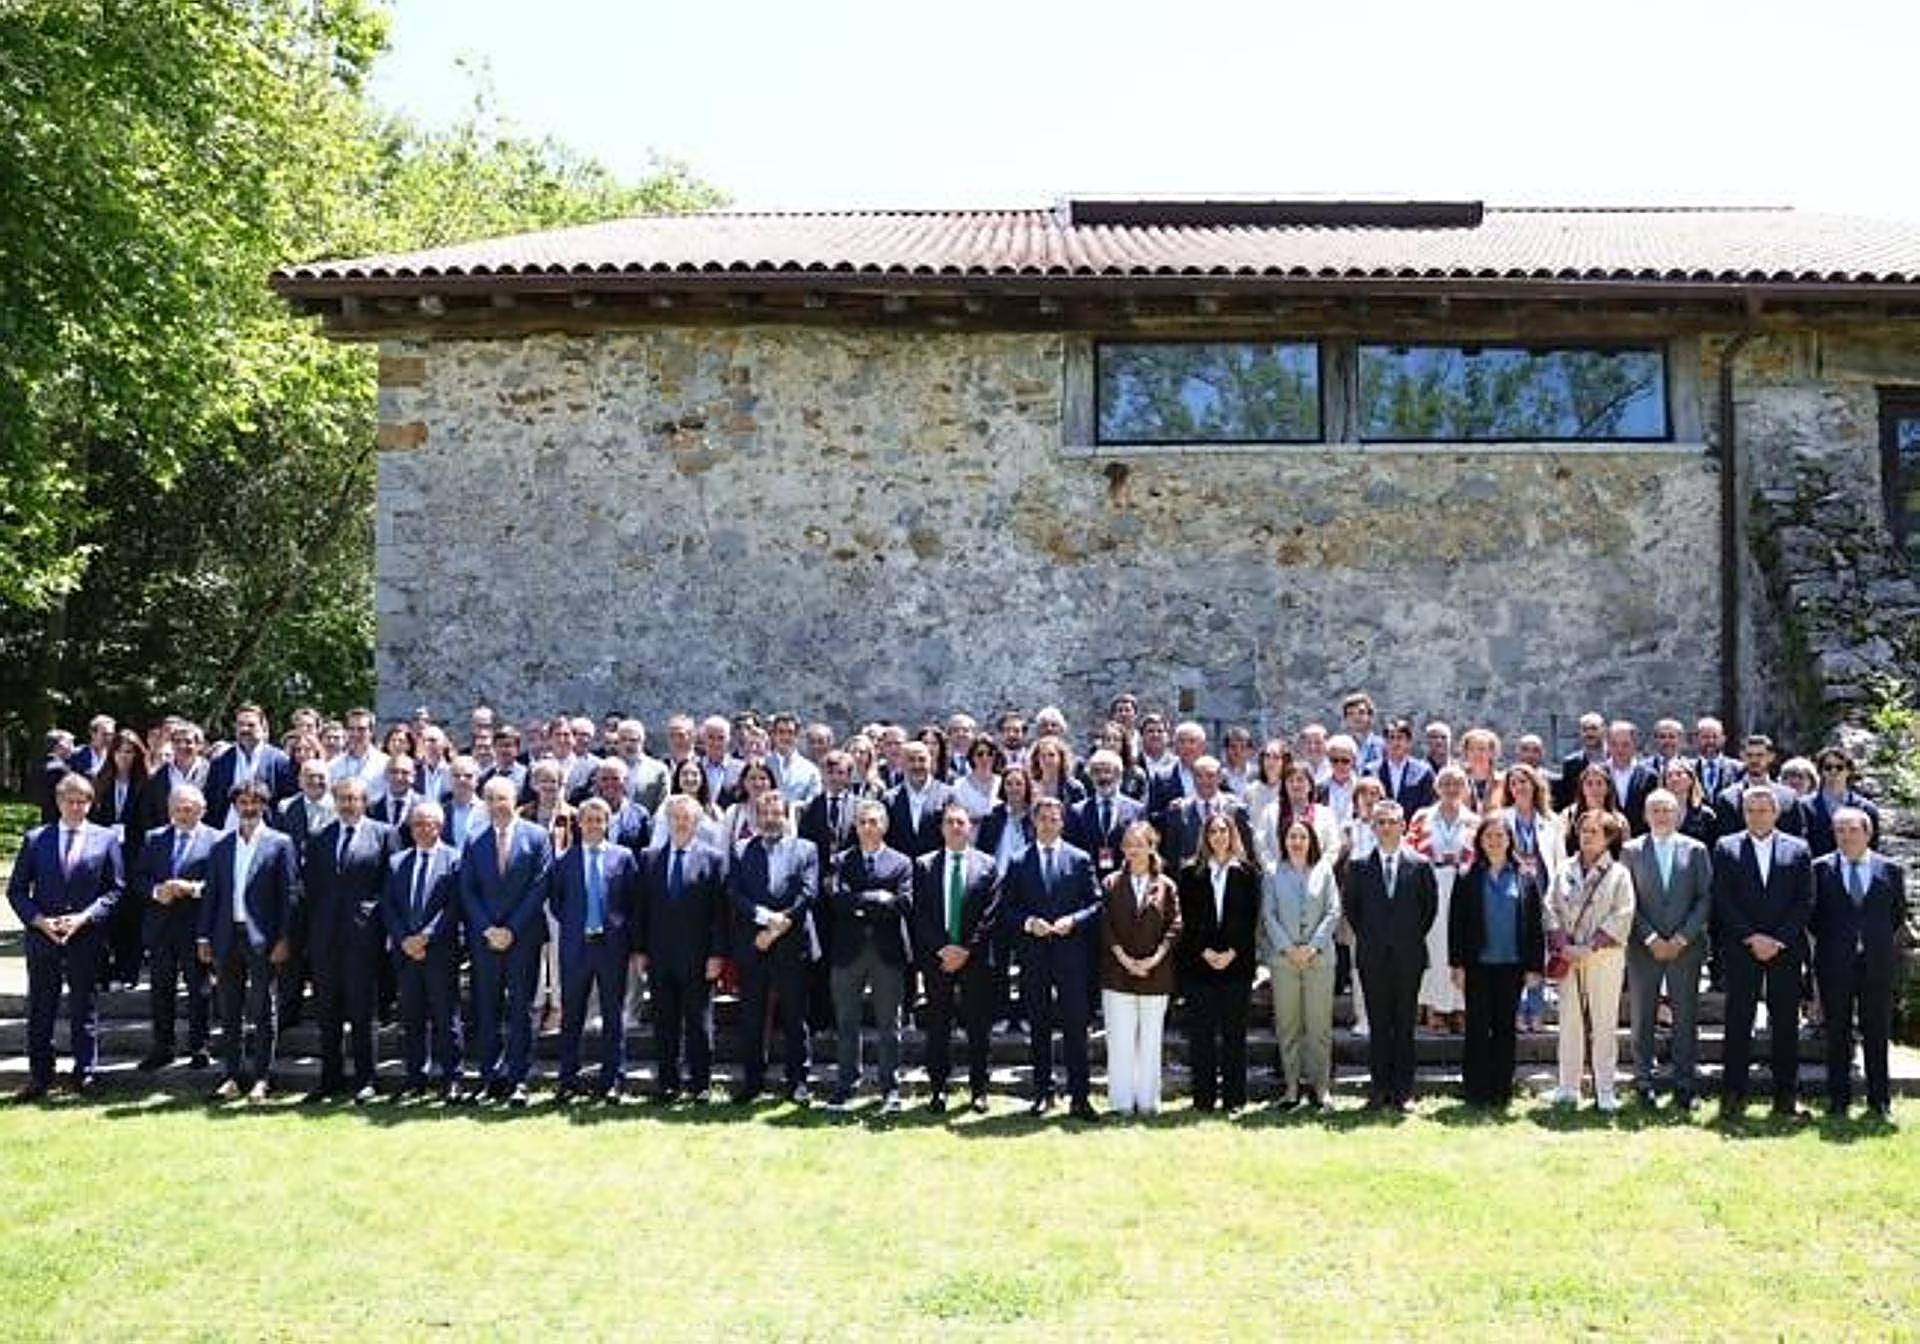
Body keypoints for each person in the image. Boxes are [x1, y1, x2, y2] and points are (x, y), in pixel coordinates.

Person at [8, 773, 124, 1099]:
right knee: (40, 1008)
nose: (75, 807)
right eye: (69, 801)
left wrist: (84, 918)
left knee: (84, 1008)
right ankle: (40, 1076)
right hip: (43, 936)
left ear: (90, 803)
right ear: (58, 802)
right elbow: (17, 890)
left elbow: (115, 890)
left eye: (81, 801)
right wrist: (39, 921)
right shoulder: (36, 839)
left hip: (85, 936)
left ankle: (85, 1073)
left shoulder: (106, 839)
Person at [1713, 785, 1814, 1120]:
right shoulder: (1726, 847)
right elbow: (1722, 899)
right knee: (1738, 1021)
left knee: (1785, 1023)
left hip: (1785, 949)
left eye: (1763, 810)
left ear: (1776, 813)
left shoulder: (1798, 849)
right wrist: (1751, 937)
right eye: (1750, 810)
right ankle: (1733, 1095)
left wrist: (1777, 940)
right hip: (1742, 948)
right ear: (1743, 813)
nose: (1757, 816)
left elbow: (1805, 900)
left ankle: (1786, 1097)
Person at [196, 780, 299, 1102]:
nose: (249, 808)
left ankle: (262, 1078)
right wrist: (204, 936)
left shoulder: (280, 843)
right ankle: (231, 1076)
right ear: (235, 806)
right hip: (226, 935)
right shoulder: (221, 845)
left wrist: (284, 938)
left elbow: (289, 896)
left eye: (255, 802)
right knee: (229, 1011)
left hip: (263, 939)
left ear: (264, 806)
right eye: (243, 802)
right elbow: (212, 894)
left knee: (263, 1009)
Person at [1006, 795, 1103, 1121]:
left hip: (1071, 955)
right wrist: (1027, 923)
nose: (1048, 824)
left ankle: (1080, 1097)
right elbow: (1006, 909)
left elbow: (1096, 904)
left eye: (1054, 818)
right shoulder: (1018, 861)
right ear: (1033, 822)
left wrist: (1073, 920)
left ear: (1062, 822)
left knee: (1076, 1026)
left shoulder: (1079, 859)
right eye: (1042, 818)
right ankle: (1042, 1093)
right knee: (1039, 1026)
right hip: (1034, 955)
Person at [300, 777, 396, 1105]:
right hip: (325, 938)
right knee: (327, 1012)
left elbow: (390, 885)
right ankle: (330, 1078)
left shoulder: (383, 834)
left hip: (364, 937)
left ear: (364, 801)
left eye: (354, 798)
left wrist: (376, 921)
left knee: (362, 1012)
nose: (348, 804)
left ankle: (366, 1079)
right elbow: (311, 888)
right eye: (342, 798)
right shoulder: (319, 837)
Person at [459, 777, 553, 1107]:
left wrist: (511, 928)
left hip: (523, 938)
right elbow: (467, 889)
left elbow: (540, 885)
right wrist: (488, 928)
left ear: (515, 801)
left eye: (503, 798)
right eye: (491, 799)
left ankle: (518, 1080)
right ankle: (489, 1078)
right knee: (486, 1010)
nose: (497, 805)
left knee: (521, 1010)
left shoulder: (537, 837)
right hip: (485, 941)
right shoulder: (474, 839)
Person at [1810, 808, 1907, 1122]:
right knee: (1837, 1032)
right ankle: (1838, 1100)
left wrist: (1871, 941)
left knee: (1877, 1031)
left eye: (1853, 830)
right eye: (1840, 830)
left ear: (1867, 833)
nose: (1846, 836)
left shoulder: (1890, 870)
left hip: (1876, 964)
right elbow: (1813, 917)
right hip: (1834, 963)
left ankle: (1879, 1100)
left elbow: (1896, 915)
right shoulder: (1819, 869)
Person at [1620, 789, 1714, 1110]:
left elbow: (1705, 898)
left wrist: (1681, 938)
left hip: (1685, 948)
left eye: (1667, 810)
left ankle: (1684, 1084)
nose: (1661, 816)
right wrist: (1650, 938)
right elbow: (1627, 900)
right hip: (1643, 947)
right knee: (1642, 1015)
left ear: (1678, 814)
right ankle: (1644, 1081)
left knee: (1685, 1017)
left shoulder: (1696, 850)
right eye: (1655, 810)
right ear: (1646, 815)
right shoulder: (1631, 851)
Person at [1344, 800, 1437, 1112]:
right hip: (1372, 957)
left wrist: (1404, 937)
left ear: (1403, 826)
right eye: (1380, 822)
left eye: (1392, 822)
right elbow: (1353, 910)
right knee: (1378, 1024)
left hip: (1408, 956)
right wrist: (1376, 938)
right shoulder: (1359, 866)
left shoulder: (1420, 865)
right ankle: (1379, 1089)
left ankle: (1403, 1091)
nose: (1386, 827)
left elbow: (1428, 910)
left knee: (1405, 1024)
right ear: (1373, 827)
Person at [728, 791, 819, 1105]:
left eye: (776, 813)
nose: (770, 819)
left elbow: (808, 892)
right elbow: (735, 892)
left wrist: (780, 925)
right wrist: (766, 921)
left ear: (785, 816)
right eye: (764, 813)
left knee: (795, 1017)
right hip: (755, 944)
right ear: (756, 817)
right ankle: (753, 1082)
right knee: (752, 1017)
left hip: (792, 944)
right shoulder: (740, 849)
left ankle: (798, 1082)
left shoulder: (806, 849)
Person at [1448, 814, 1545, 1108]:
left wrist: (1534, 967)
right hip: (1477, 965)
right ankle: (1476, 1090)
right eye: (1488, 836)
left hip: (1512, 966)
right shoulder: (1467, 876)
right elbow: (1456, 923)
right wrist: (1457, 964)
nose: (1494, 841)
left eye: (1500, 836)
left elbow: (1534, 925)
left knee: (1505, 1029)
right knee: (1477, 1028)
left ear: (1509, 840)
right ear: (1479, 841)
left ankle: (1501, 1090)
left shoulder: (1525, 876)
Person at [910, 803, 1001, 1114]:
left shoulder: (987, 865)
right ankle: (938, 1089)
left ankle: (979, 1090)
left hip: (975, 959)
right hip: (938, 959)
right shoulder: (924, 865)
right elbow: (919, 913)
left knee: (978, 1026)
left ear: (970, 827)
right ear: (941, 829)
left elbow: (990, 915)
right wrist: (943, 948)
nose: (955, 827)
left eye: (961, 822)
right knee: (938, 1025)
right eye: (949, 822)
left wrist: (965, 950)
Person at [548, 796, 639, 1104]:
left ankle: (612, 1079)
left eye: (599, 820)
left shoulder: (623, 857)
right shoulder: (564, 860)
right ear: (579, 823)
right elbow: (557, 902)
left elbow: (632, 900)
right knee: (572, 1015)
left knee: (613, 1015)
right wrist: (577, 925)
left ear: (607, 823)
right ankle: (568, 1079)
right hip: (577, 948)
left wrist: (623, 934)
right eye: (588, 820)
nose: (594, 825)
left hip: (611, 948)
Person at [824, 799, 914, 1111]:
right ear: (855, 826)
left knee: (889, 1025)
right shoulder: (840, 861)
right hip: (848, 952)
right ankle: (846, 1085)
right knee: (846, 1023)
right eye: (862, 822)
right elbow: (837, 899)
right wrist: (876, 898)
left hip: (887, 952)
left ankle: (890, 1089)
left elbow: (904, 903)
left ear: (884, 826)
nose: (867, 828)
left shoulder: (901, 863)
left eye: (874, 822)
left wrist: (859, 903)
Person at [1544, 810, 1637, 1111]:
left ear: (1608, 837)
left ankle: (1605, 1089)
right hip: (1568, 956)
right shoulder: (1564, 869)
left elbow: (1623, 913)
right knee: (1569, 1021)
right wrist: (1562, 944)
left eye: (1594, 831)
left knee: (1604, 1022)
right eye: (1584, 830)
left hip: (1604, 957)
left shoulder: (1619, 873)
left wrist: (1592, 945)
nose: (1586, 836)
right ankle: (1567, 1087)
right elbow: (1549, 907)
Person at [133, 784, 219, 1072]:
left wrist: (193, 889)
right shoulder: (154, 838)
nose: (183, 814)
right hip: (161, 927)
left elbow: (221, 884)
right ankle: (163, 1047)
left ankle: (199, 1046)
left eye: (189, 809)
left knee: (199, 990)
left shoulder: (216, 840)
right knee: (161, 989)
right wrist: (157, 892)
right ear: (170, 810)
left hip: (196, 927)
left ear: (202, 810)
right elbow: (138, 878)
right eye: (178, 809)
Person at [1100, 819, 1182, 1117]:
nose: (1133, 850)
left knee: (1150, 1041)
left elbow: (1175, 926)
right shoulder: (1110, 884)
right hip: (1117, 974)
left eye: (1139, 844)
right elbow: (1105, 925)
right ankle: (1121, 1103)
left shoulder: (1166, 886)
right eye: (1128, 845)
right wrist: (1123, 958)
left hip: (1155, 974)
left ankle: (1148, 1102)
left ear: (1151, 847)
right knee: (1120, 1041)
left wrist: (1155, 958)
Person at [382, 801, 463, 1102]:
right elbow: (389, 906)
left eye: (427, 823)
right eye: (416, 824)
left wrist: (425, 937)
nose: (421, 829)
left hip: (439, 951)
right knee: (412, 1019)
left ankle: (452, 1079)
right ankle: (415, 1078)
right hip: (406, 954)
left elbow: (454, 906)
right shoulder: (397, 862)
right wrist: (405, 939)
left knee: (446, 1019)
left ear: (439, 827)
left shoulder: (454, 859)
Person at [1257, 817, 1340, 1110]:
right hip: (1284, 961)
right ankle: (1291, 1088)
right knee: (1288, 1026)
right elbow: (1268, 915)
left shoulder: (1324, 871)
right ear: (1284, 841)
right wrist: (1289, 949)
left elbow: (1333, 911)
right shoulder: (1273, 873)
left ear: (1311, 841)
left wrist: (1313, 947)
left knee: (1319, 1028)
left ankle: (1321, 1087)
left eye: (1302, 837)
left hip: (1319, 960)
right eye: (1292, 837)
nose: (1297, 842)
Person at [1486, 762, 1563, 1034]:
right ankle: (1517, 1010)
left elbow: (1559, 860)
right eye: (1514, 783)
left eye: (1524, 781)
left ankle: (1536, 1010)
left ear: (1535, 785)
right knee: (1514, 950)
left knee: (1538, 952)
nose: (1519, 787)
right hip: (1510, 892)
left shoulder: (1551, 821)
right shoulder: (1499, 818)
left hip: (1542, 892)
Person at [1409, 766, 1478, 1031]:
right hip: (1430, 885)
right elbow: (1410, 851)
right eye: (1446, 783)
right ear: (1437, 787)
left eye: (1457, 783)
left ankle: (1459, 1007)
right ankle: (1435, 1008)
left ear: (1465, 788)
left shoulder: (1474, 820)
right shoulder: (1422, 817)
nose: (1451, 789)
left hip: (1462, 887)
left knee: (1458, 946)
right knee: (1434, 948)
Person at [90, 726, 155, 989]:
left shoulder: (147, 783)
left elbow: (149, 822)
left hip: (134, 856)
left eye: (129, 752)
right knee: (105, 913)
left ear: (137, 755)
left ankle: (127, 972)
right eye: (119, 751)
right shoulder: (100, 781)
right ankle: (102, 973)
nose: (124, 757)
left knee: (131, 914)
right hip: (104, 855)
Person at [202, 703, 297, 829]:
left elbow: (288, 800)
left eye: (251, 725)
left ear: (263, 727)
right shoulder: (220, 762)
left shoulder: (279, 761)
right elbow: (211, 802)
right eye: (240, 724)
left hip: (267, 832)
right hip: (228, 831)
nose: (245, 729)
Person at [1157, 755, 1255, 868]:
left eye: (1210, 775)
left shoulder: (1236, 809)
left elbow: (1247, 852)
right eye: (1199, 776)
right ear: (1193, 778)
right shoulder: (1178, 811)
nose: (1204, 781)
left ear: (1220, 778)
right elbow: (1171, 855)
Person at [1067, 748, 1143, 883]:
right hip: (1087, 882)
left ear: (1119, 775)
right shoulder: (1077, 811)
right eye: (1096, 772)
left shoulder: (1137, 810)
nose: (1103, 777)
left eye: (1108, 771)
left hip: (1125, 882)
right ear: (1090, 776)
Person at [1803, 748, 1881, 858]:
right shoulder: (1804, 806)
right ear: (1821, 771)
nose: (1833, 772)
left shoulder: (1866, 808)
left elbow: (1872, 847)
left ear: (1848, 771)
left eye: (1839, 767)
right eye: (1828, 767)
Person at [1372, 717, 1436, 815]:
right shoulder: (1372, 771)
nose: (1395, 743)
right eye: (1391, 738)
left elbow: (1428, 806)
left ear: (1409, 742)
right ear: (1385, 742)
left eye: (1400, 738)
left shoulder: (1423, 772)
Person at [1554, 711, 1608, 813]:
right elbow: (1568, 798)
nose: (1589, 733)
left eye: (1593, 728)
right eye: (1585, 729)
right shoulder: (1571, 764)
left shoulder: (1614, 759)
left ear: (1603, 730)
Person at [951, 737, 1003, 820]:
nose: (985, 758)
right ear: (972, 757)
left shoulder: (1002, 782)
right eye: (980, 754)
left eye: (989, 754)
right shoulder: (959, 785)